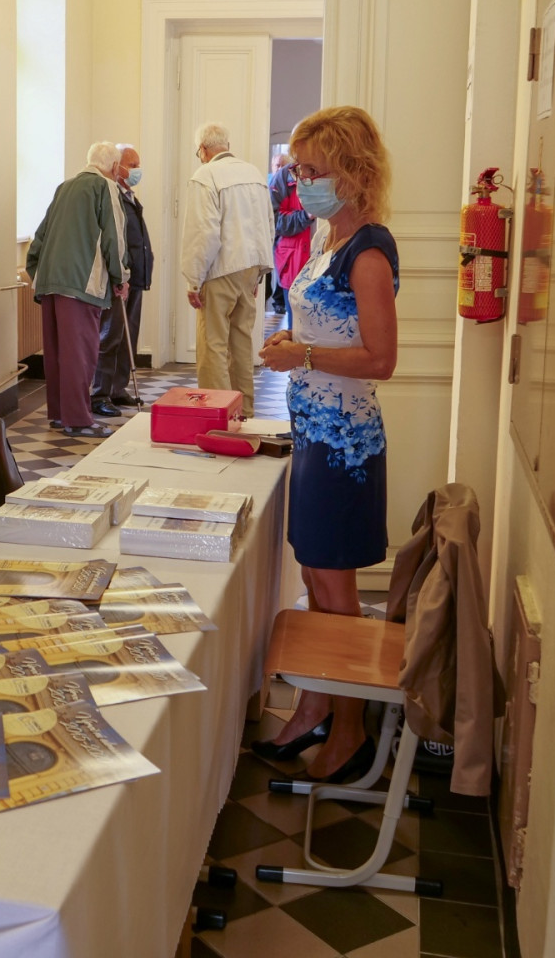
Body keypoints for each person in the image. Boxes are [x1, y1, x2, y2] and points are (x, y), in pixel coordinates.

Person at [254, 104, 399, 783]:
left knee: (336, 588)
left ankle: (351, 730)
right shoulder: (327, 238)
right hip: (313, 431)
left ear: (353, 169)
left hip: (345, 446)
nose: (302, 181)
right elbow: (324, 330)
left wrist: (302, 355)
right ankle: (314, 705)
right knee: (314, 573)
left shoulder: (367, 250)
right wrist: (295, 342)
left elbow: (379, 359)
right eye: (298, 169)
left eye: (313, 170)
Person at [26, 142, 129, 438]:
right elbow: (113, 237)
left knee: (57, 352)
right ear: (113, 167)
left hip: (50, 279)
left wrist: (38, 271)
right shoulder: (105, 187)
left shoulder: (64, 187)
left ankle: (60, 415)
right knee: (80, 354)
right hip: (80, 281)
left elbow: (40, 235)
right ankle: (79, 420)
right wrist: (120, 276)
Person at [181, 122, 275, 415]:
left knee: (213, 346)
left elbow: (203, 233)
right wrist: (259, 274)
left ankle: (219, 415)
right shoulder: (254, 174)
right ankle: (244, 412)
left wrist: (193, 279)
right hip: (250, 268)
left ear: (203, 149)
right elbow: (267, 226)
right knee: (242, 344)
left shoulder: (205, 175)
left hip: (219, 269)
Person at [91, 144, 153, 417]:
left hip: (135, 277)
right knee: (111, 336)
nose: (137, 170)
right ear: (118, 166)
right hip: (119, 278)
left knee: (129, 336)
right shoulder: (110, 193)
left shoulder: (129, 196)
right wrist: (120, 274)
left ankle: (118, 388)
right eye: (133, 165)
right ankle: (99, 393)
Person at [269, 157, 313, 328]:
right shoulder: (283, 178)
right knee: (295, 327)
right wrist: (305, 216)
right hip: (292, 262)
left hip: (324, 259)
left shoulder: (332, 172)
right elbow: (273, 220)